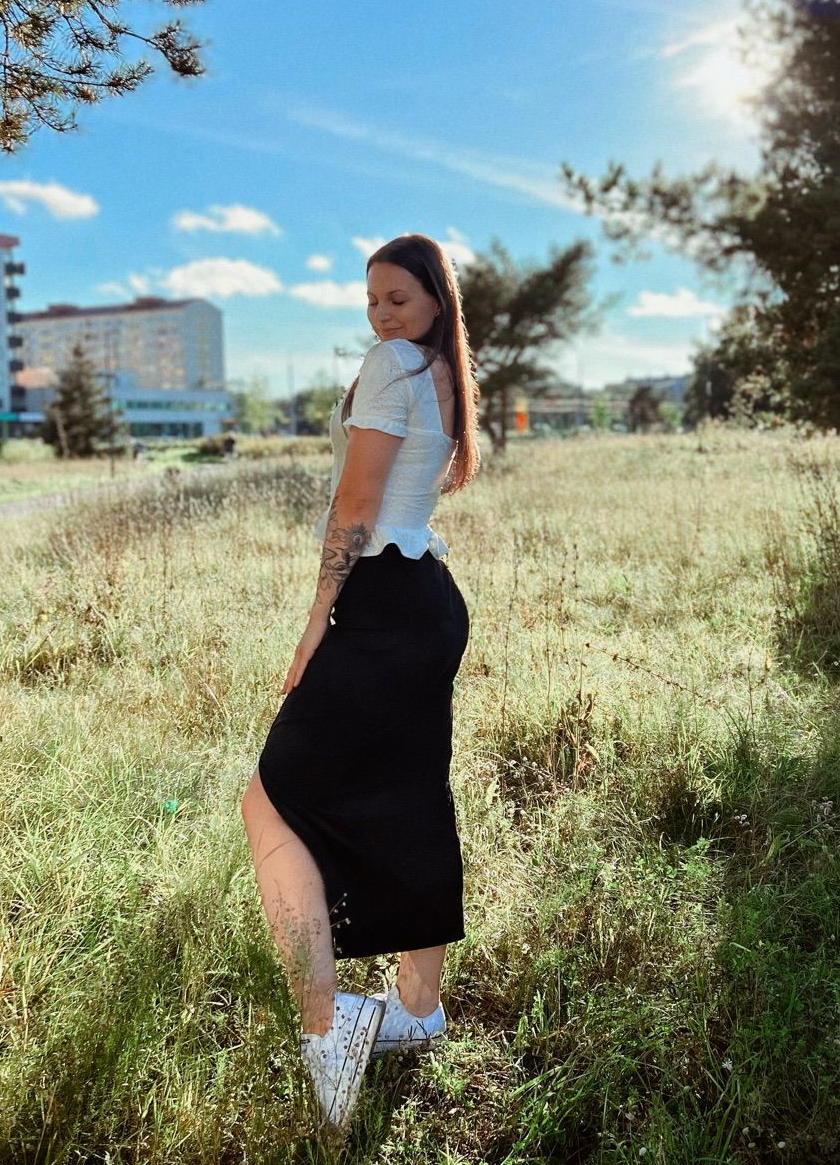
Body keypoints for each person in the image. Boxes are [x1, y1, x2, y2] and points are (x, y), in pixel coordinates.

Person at [240, 232, 481, 1133]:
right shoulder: (442, 369)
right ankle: (417, 1008)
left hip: (381, 603)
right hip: (428, 600)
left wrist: (317, 618)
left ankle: (327, 1023)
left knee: (271, 798)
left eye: (398, 300)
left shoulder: (392, 365)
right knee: (409, 794)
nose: (380, 315)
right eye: (371, 299)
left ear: (435, 302)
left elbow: (355, 504)